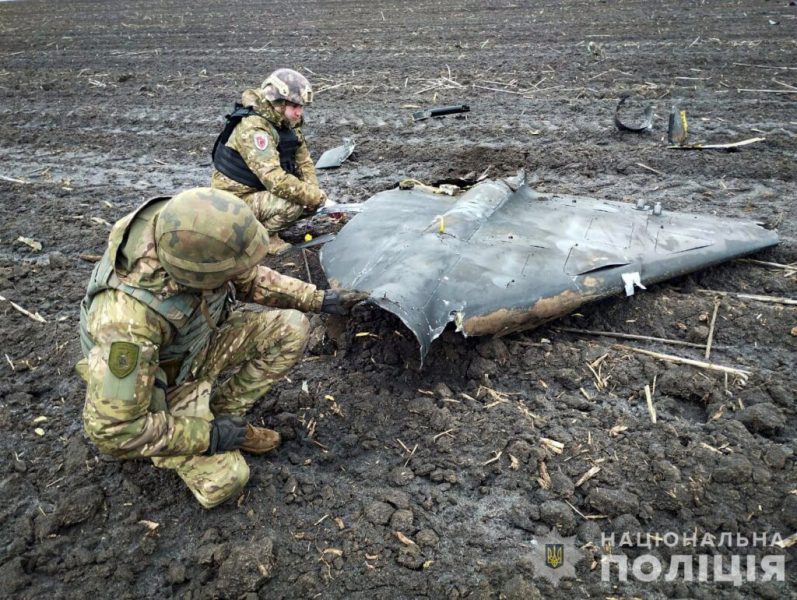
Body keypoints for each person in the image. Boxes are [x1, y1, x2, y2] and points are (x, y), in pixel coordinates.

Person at [75, 188, 367, 509]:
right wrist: (208, 437)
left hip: (196, 344)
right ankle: (196, 433)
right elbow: (112, 430)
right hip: (162, 385)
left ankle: (226, 416)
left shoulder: (195, 232)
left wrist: (319, 299)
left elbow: (251, 280)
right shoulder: (126, 324)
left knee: (292, 328)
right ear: (198, 276)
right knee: (225, 481)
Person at [211, 68, 325, 255]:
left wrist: (316, 196)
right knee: (293, 204)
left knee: (308, 200)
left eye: (301, 107)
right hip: (233, 201)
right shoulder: (254, 128)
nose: (299, 113)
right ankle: (261, 239)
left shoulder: (286, 122)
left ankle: (263, 225)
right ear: (279, 103)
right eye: (295, 106)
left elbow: (304, 162)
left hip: (258, 193)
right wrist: (315, 197)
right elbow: (274, 179)